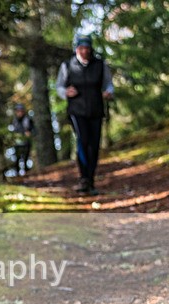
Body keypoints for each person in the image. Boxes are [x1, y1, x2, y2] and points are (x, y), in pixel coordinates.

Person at [56, 33, 113, 195]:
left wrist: (108, 93)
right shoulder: (67, 65)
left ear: (91, 49)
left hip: (96, 110)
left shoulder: (100, 65)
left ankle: (91, 179)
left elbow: (109, 84)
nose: (84, 51)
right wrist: (66, 92)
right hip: (77, 111)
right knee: (83, 141)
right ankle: (83, 178)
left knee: (94, 146)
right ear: (77, 49)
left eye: (87, 48)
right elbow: (59, 86)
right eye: (81, 48)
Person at [9, 103, 34, 176]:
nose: (19, 113)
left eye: (21, 111)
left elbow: (33, 129)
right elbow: (11, 130)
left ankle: (27, 173)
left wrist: (29, 133)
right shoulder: (14, 121)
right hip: (17, 142)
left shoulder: (28, 120)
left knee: (26, 158)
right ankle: (17, 174)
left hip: (26, 142)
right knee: (17, 158)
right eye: (18, 111)